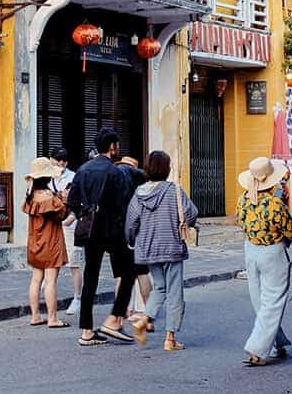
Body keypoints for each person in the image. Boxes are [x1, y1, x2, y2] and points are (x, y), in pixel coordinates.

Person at [66, 130, 137, 347]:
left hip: (90, 230)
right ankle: (114, 319)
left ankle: (87, 331)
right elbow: (125, 204)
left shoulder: (83, 170)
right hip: (113, 230)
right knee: (128, 272)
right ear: (113, 147)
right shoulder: (116, 173)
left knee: (90, 279)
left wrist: (83, 214)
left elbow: (72, 202)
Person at [125, 151, 198, 351]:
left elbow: (131, 222)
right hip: (172, 247)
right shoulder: (174, 190)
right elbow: (191, 213)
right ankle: (170, 339)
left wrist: (132, 241)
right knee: (174, 292)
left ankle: (144, 320)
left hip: (148, 248)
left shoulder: (139, 193)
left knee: (160, 287)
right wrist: (182, 223)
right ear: (166, 169)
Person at [236, 157, 292, 367]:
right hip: (273, 252)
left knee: (259, 299)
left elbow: (240, 223)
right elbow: (290, 229)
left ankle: (275, 342)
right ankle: (258, 349)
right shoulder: (275, 203)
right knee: (273, 301)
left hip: (251, 250)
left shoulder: (244, 199)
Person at [22, 157, 70, 328]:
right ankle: (52, 318)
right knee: (50, 281)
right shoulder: (48, 196)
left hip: (34, 242)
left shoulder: (31, 195)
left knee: (36, 279)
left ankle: (35, 316)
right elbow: (61, 214)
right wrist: (64, 199)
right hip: (50, 243)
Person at [116, 155, 154, 322]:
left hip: (121, 233)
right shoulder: (143, 191)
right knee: (142, 272)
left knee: (120, 273)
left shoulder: (117, 186)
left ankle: (121, 311)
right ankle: (148, 312)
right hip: (140, 235)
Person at [50, 148, 84, 315]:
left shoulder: (73, 177)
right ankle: (48, 288)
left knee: (74, 262)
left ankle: (77, 298)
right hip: (53, 225)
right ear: (52, 160)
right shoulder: (46, 177)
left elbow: (79, 201)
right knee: (52, 261)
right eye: (58, 160)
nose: (61, 163)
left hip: (70, 225)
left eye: (64, 160)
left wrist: (73, 216)